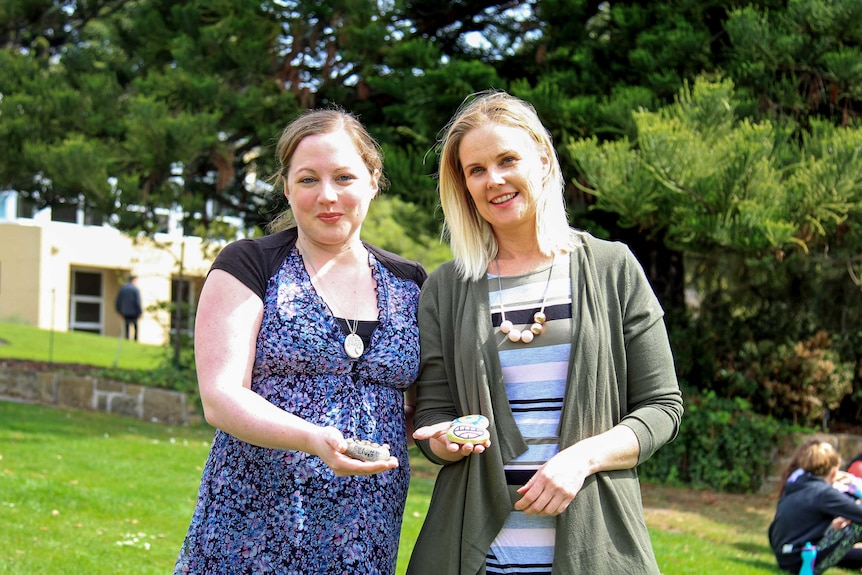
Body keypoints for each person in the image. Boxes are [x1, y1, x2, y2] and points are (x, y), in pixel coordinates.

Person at [407, 90, 684, 575]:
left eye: (507, 159)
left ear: (541, 158)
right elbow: (432, 414)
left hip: (594, 548)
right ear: (464, 185)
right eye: (475, 170)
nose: (493, 180)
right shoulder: (445, 289)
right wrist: (442, 440)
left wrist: (582, 459)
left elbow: (663, 408)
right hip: (477, 555)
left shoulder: (611, 267)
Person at [173, 108, 426, 574]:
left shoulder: (411, 282)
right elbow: (221, 396)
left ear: (372, 180)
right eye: (308, 180)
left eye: (344, 177)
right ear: (287, 187)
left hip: (365, 526)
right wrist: (313, 438)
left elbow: (424, 404)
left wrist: (436, 428)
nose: (328, 196)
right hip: (251, 521)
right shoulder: (249, 264)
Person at [769, 439, 862, 573]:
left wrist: (831, 528)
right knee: (858, 527)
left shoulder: (797, 485)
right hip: (802, 561)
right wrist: (855, 488)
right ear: (834, 472)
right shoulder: (824, 493)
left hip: (786, 557)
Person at [115, 275, 142, 340]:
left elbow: (118, 301)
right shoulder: (135, 289)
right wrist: (140, 312)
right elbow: (137, 302)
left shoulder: (123, 289)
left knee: (127, 327)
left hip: (125, 312)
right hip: (134, 312)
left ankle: (127, 339)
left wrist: (119, 311)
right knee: (135, 327)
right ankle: (135, 340)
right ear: (133, 280)